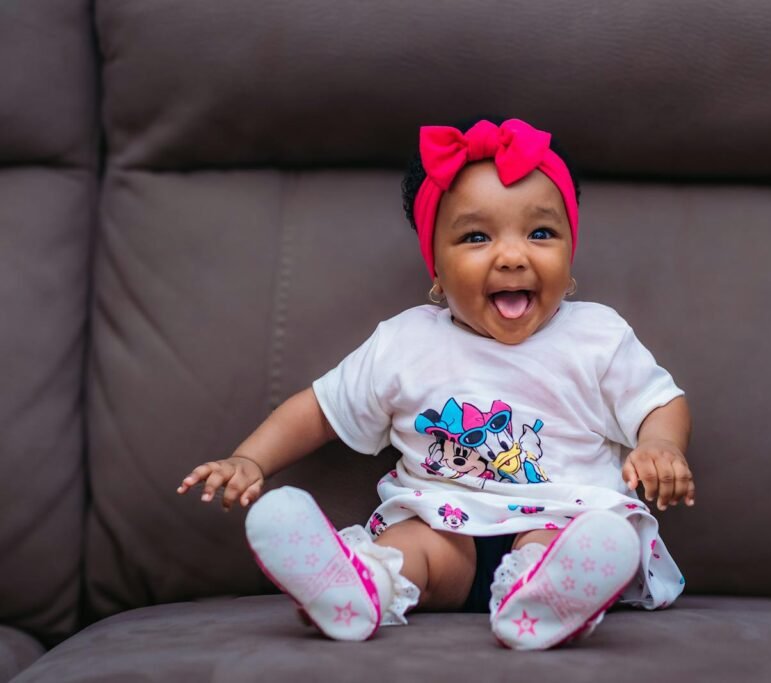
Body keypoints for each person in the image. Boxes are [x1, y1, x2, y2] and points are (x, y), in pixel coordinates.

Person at [177, 117, 695, 650]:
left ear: (570, 255)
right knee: (415, 545)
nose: (513, 256)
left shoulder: (597, 335)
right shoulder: (404, 344)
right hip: (445, 522)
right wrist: (250, 459)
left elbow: (660, 402)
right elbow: (318, 410)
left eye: (541, 233)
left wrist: (660, 443)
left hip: (558, 519)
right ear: (437, 272)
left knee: (561, 541)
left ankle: (545, 597)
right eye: (476, 237)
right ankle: (361, 586)